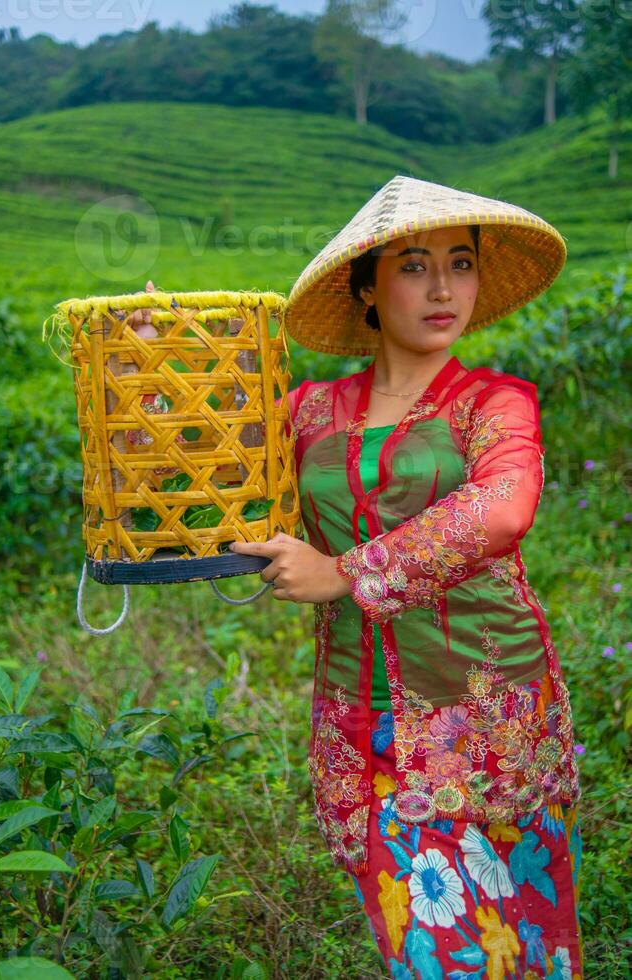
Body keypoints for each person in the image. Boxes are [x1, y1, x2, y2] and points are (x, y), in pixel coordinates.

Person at [230, 174, 584, 977]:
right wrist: (157, 342)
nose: (443, 288)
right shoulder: (310, 413)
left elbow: (502, 510)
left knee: (519, 947)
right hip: (361, 725)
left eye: (461, 265)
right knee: (423, 950)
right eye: (415, 266)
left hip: (493, 719)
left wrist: (346, 573)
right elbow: (206, 461)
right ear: (365, 288)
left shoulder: (493, 404)